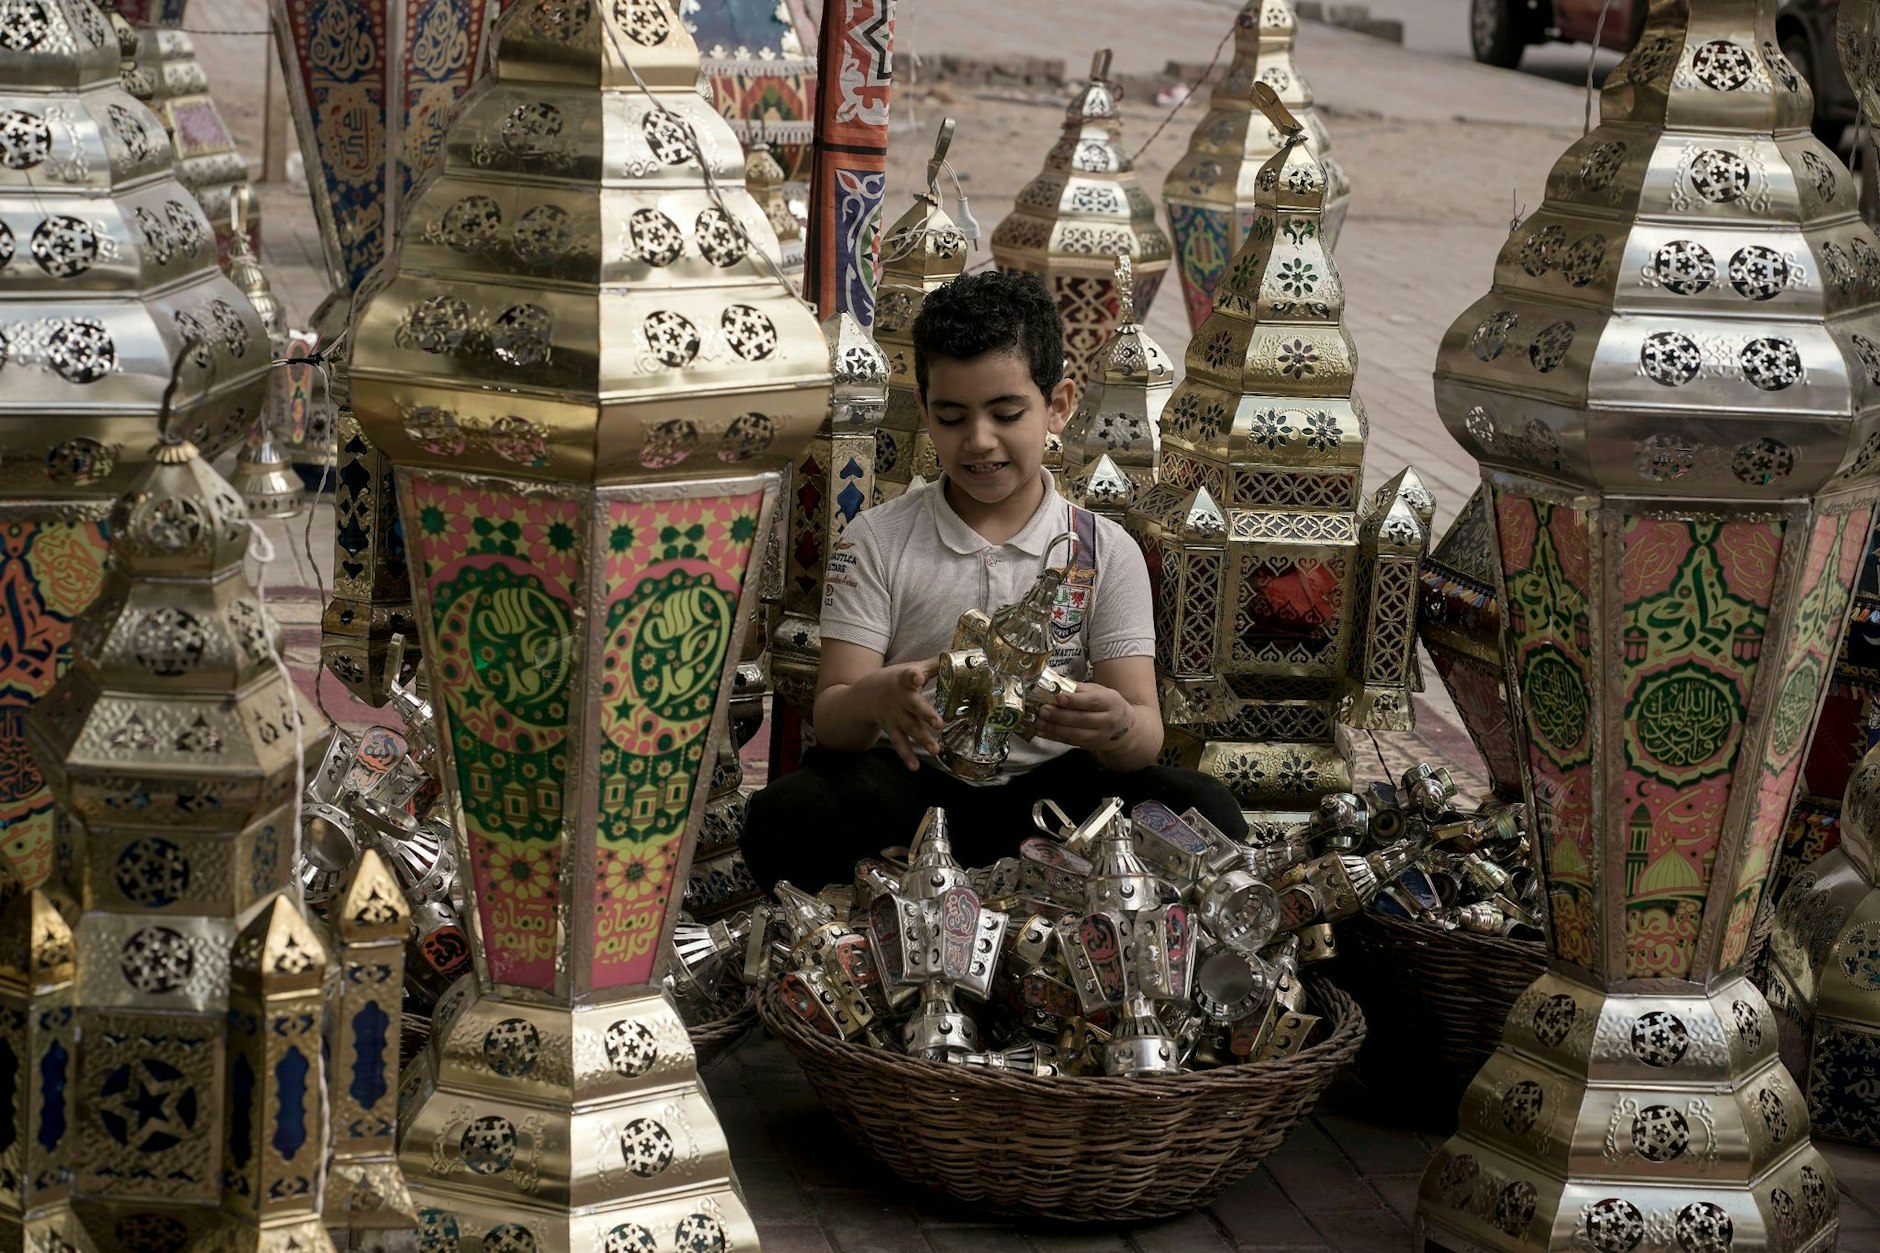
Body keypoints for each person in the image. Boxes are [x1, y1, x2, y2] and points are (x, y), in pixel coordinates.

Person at [739, 270, 1246, 891]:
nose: (979, 442)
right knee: (787, 817)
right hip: (913, 792)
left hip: (1054, 803)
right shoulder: (878, 539)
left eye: (1006, 414)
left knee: (1203, 809)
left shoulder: (1103, 549)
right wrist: (876, 698)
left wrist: (1113, 724)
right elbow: (837, 715)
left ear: (1057, 405)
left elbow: (1143, 735)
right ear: (924, 411)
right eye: (952, 418)